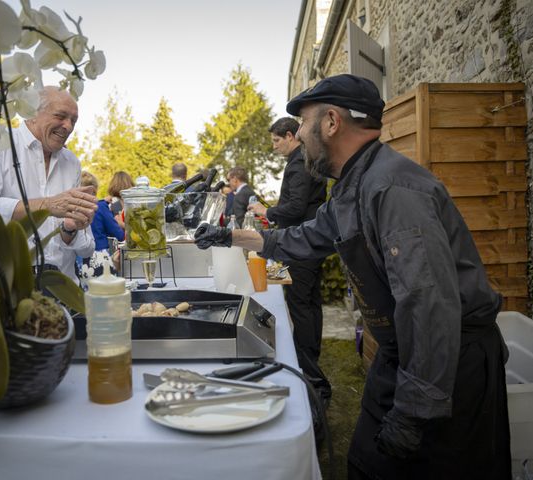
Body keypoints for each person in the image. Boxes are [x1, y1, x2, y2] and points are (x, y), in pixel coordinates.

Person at [194, 74, 511, 480]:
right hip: (405, 350)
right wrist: (229, 236)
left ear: (330, 122)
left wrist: (415, 412)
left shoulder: (392, 189)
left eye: (305, 124)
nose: (301, 135)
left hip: (446, 363)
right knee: (364, 462)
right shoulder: (353, 186)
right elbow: (301, 237)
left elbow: (428, 304)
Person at [249, 116, 329, 400]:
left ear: (291, 136)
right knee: (310, 303)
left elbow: (294, 208)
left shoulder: (298, 163)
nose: (274, 147)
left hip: (301, 244)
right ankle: (310, 359)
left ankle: (310, 372)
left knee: (300, 305)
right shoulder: (304, 159)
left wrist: (266, 212)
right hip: (310, 241)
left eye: (276, 140)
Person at [0, 86, 97, 283]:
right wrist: (47, 206)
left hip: (62, 289)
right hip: (9, 287)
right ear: (33, 113)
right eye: (61, 116)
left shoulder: (71, 162)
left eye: (73, 121)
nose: (68, 127)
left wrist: (70, 229)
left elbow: (87, 248)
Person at [79, 171, 124, 279]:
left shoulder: (74, 209)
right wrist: (122, 225)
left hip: (78, 259)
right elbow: (119, 234)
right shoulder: (100, 207)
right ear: (94, 190)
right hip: (99, 258)